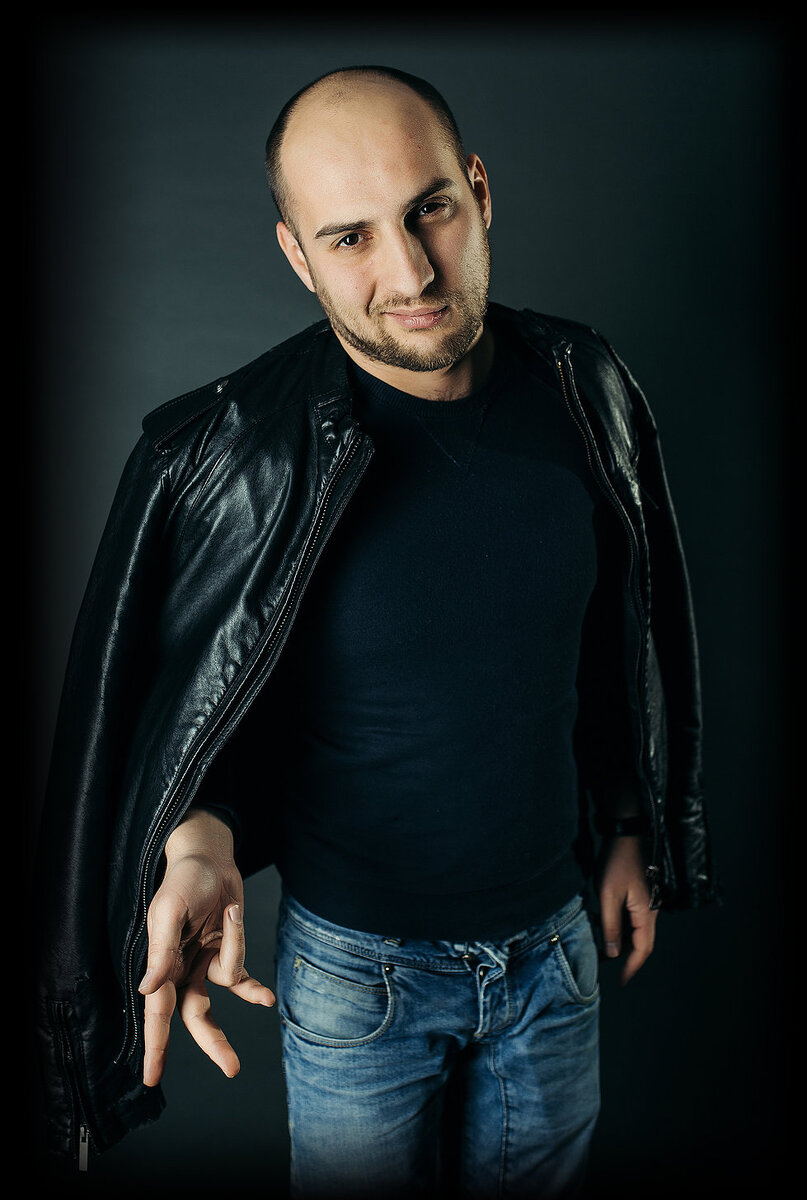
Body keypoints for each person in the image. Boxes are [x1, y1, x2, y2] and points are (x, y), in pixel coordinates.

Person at [35, 65, 717, 1197]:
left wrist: (632, 825)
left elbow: (618, 644)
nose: (410, 273)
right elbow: (191, 715)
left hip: (555, 957)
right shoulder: (219, 458)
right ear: (296, 256)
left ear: (479, 190)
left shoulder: (585, 385)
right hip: (360, 983)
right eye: (349, 237)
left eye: (429, 209)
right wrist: (195, 842)